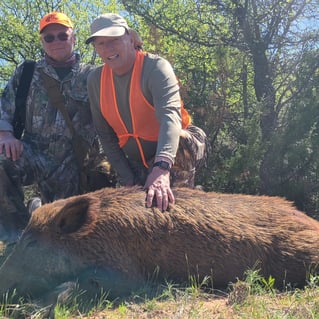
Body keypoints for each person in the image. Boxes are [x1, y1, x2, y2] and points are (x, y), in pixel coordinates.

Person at [0, 12, 108, 243]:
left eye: (62, 35)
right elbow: (5, 108)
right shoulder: (27, 72)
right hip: (34, 154)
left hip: (76, 162)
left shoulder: (94, 75)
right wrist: (6, 135)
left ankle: (36, 210)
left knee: (68, 229)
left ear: (74, 38)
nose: (56, 41)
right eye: (49, 38)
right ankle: (16, 240)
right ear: (42, 42)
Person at [86, 13, 209, 212]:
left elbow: (170, 119)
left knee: (179, 143)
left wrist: (161, 170)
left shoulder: (155, 68)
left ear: (130, 39)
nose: (108, 49)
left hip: (174, 150)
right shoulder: (95, 80)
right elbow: (105, 136)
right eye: (100, 43)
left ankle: (184, 198)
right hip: (135, 160)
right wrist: (128, 181)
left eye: (114, 40)